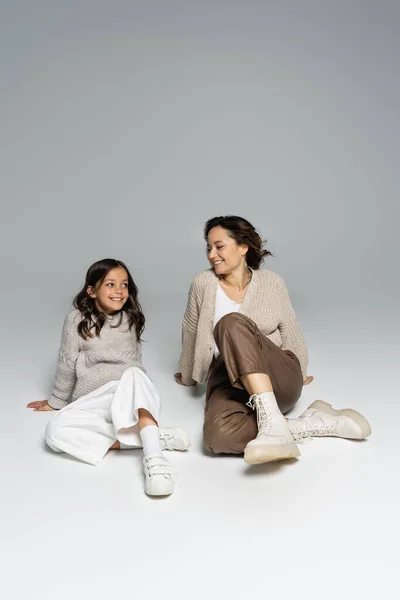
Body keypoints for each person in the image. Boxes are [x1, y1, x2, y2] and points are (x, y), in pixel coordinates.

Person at [175, 215, 371, 464]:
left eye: (219, 246)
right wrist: (188, 374)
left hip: (276, 374)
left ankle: (272, 422)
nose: (212, 254)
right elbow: (191, 329)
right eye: (209, 248)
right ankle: (308, 424)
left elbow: (291, 329)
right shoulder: (203, 283)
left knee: (231, 323)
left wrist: (300, 370)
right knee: (218, 438)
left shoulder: (272, 283)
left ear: (243, 247)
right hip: (229, 377)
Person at [28, 258, 190, 496]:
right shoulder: (76, 319)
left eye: (124, 285)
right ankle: (152, 437)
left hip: (129, 394)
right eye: (110, 284)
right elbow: (66, 362)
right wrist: (56, 401)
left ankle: (155, 462)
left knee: (134, 374)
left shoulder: (130, 318)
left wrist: (137, 395)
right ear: (91, 291)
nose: (119, 291)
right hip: (93, 401)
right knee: (55, 433)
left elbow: (135, 361)